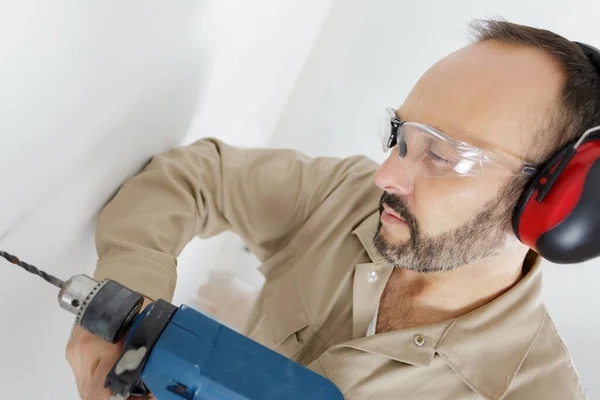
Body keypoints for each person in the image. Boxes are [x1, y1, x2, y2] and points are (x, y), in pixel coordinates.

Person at [66, 19, 597, 399]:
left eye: (440, 154)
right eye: (401, 137)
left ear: (558, 204)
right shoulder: (348, 202)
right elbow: (193, 178)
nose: (386, 175)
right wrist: (122, 307)